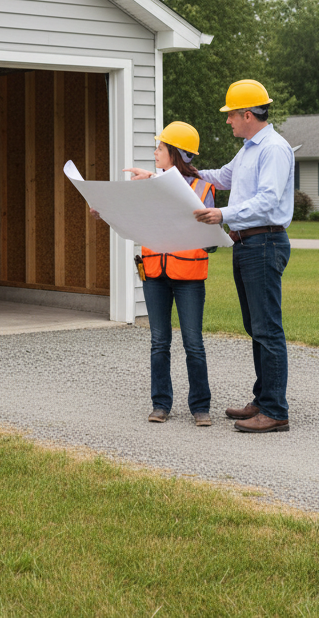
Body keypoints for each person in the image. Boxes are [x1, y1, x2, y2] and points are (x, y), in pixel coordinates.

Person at [192, 79, 295, 434]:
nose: (227, 121)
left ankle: (275, 410)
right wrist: (182, 173)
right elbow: (220, 177)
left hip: (265, 243)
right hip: (247, 245)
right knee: (256, 327)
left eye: (231, 114)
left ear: (248, 114)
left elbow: (267, 202)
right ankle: (262, 399)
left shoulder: (274, 149)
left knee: (267, 329)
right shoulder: (250, 148)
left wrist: (223, 214)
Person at [123, 122, 216, 427]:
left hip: (188, 275)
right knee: (159, 342)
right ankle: (160, 404)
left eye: (160, 148)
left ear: (175, 154)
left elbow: (212, 240)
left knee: (193, 343)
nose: (155, 153)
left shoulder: (203, 188)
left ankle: (200, 407)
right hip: (155, 273)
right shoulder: (150, 185)